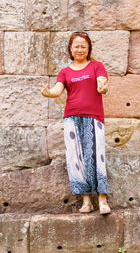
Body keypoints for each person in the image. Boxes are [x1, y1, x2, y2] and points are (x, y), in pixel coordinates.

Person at [41, 31, 111, 215]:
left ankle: (102, 199)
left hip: (93, 117)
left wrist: (103, 87)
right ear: (70, 49)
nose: (80, 49)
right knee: (76, 158)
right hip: (71, 118)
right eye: (76, 46)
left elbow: (102, 81)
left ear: (88, 49)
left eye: (83, 46)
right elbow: (57, 90)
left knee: (96, 155)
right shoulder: (65, 72)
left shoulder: (97, 66)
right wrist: (49, 93)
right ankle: (86, 201)